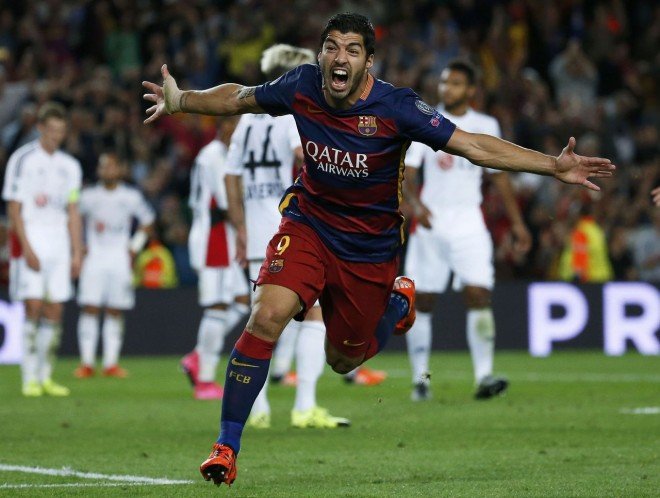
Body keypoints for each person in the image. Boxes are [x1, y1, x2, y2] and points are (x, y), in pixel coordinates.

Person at [142, 13, 615, 486]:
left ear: (368, 61)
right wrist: (182, 100)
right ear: (321, 54)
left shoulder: (397, 107)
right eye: (332, 46)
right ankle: (226, 446)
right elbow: (240, 97)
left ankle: (397, 304)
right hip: (308, 225)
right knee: (265, 316)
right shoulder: (301, 85)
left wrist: (552, 166)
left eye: (352, 49)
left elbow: (473, 146)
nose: (340, 57)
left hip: (368, 249)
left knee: (343, 359)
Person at [225, 43, 349, 429]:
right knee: (314, 312)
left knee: (260, 320)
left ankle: (258, 410)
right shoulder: (290, 116)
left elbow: (231, 176)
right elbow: (305, 156)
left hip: (255, 229)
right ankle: (305, 406)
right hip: (289, 229)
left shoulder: (246, 122)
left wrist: (240, 226)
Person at [402, 60, 532, 402]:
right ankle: (420, 379)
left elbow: (500, 177)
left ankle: (484, 376)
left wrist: (518, 223)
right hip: (431, 222)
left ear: (471, 90)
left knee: (478, 294)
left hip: (469, 223)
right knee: (423, 301)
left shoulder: (486, 124)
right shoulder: (426, 119)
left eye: (456, 83)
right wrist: (416, 205)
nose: (447, 89)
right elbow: (408, 174)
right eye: (445, 82)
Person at [2, 101, 83, 397]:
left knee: (55, 309)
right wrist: (26, 248)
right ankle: (29, 378)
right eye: (51, 130)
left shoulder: (70, 166)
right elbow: (14, 208)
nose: (55, 136)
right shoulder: (22, 159)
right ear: (40, 128)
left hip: (59, 243)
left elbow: (73, 211)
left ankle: (46, 376)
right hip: (32, 238)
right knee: (33, 306)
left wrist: (77, 252)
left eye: (60, 131)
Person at [179, 117, 251, 400]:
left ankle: (197, 356)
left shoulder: (223, 154)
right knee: (217, 306)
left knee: (242, 301)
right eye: (235, 127)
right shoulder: (213, 156)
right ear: (224, 127)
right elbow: (225, 202)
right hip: (214, 236)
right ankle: (205, 380)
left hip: (224, 236)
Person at [74, 152, 155, 379]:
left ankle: (110, 363)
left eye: (111, 166)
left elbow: (148, 221)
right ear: (98, 170)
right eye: (103, 166)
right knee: (90, 307)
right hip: (94, 258)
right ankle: (87, 363)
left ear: (119, 169)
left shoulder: (130, 196)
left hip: (119, 258)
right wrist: (79, 245)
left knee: (115, 310)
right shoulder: (88, 196)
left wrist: (134, 247)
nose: (107, 170)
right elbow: (73, 218)